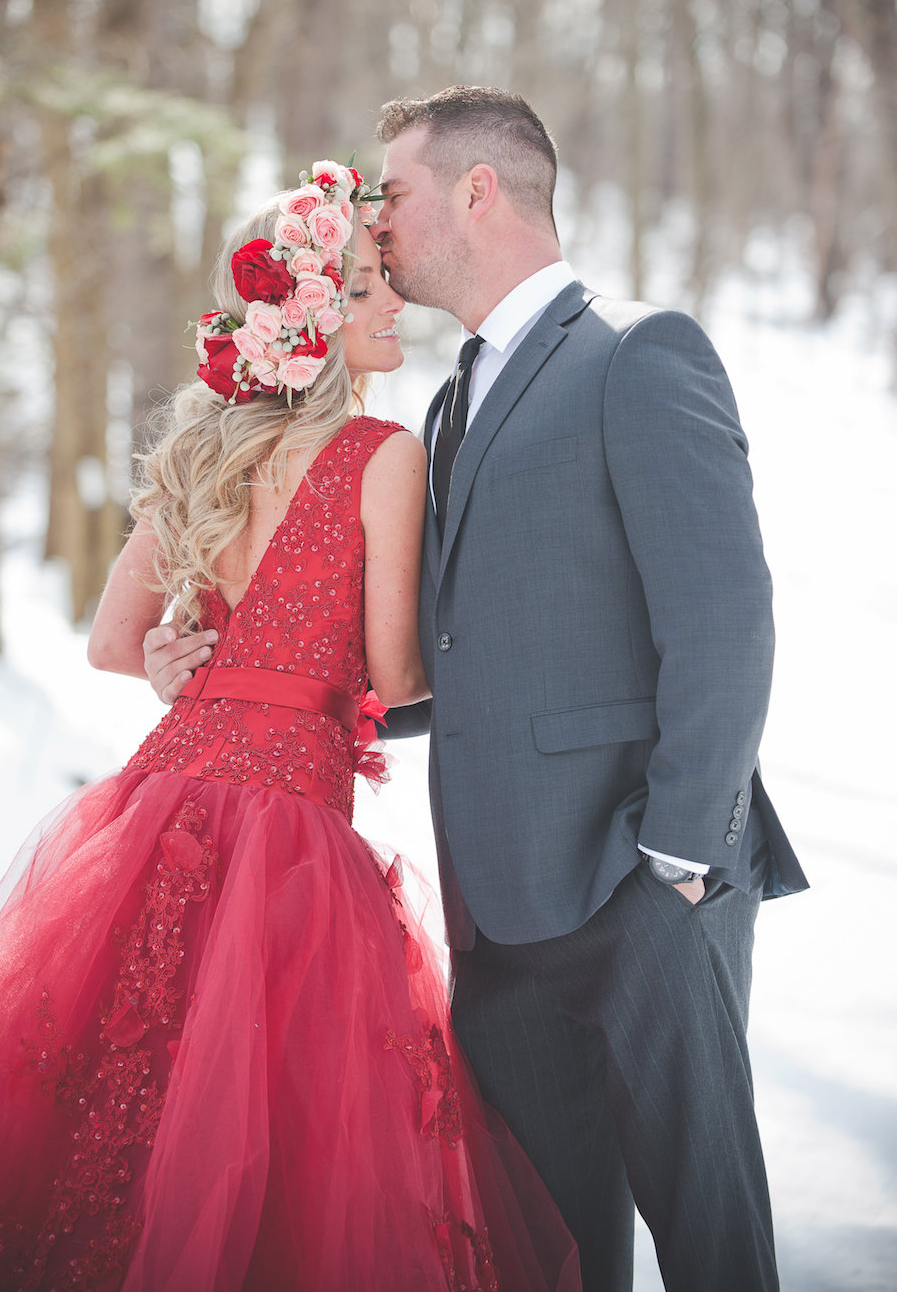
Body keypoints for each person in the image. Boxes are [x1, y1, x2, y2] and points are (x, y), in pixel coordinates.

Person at [145, 89, 809, 1292]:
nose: (374, 224)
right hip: (496, 911)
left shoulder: (637, 351)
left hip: (642, 886)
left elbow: (725, 619)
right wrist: (248, 685)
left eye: (389, 194)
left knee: (712, 1242)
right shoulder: (451, 402)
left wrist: (673, 854)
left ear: (475, 191)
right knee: (549, 1256)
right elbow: (449, 653)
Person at [0, 161, 582, 1292]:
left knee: (119, 1105)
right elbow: (396, 668)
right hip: (291, 836)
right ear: (315, 317)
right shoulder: (380, 453)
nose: (393, 300)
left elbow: (113, 644)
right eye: (368, 285)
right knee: (271, 1127)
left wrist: (186, 664)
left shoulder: (207, 447)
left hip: (162, 806)